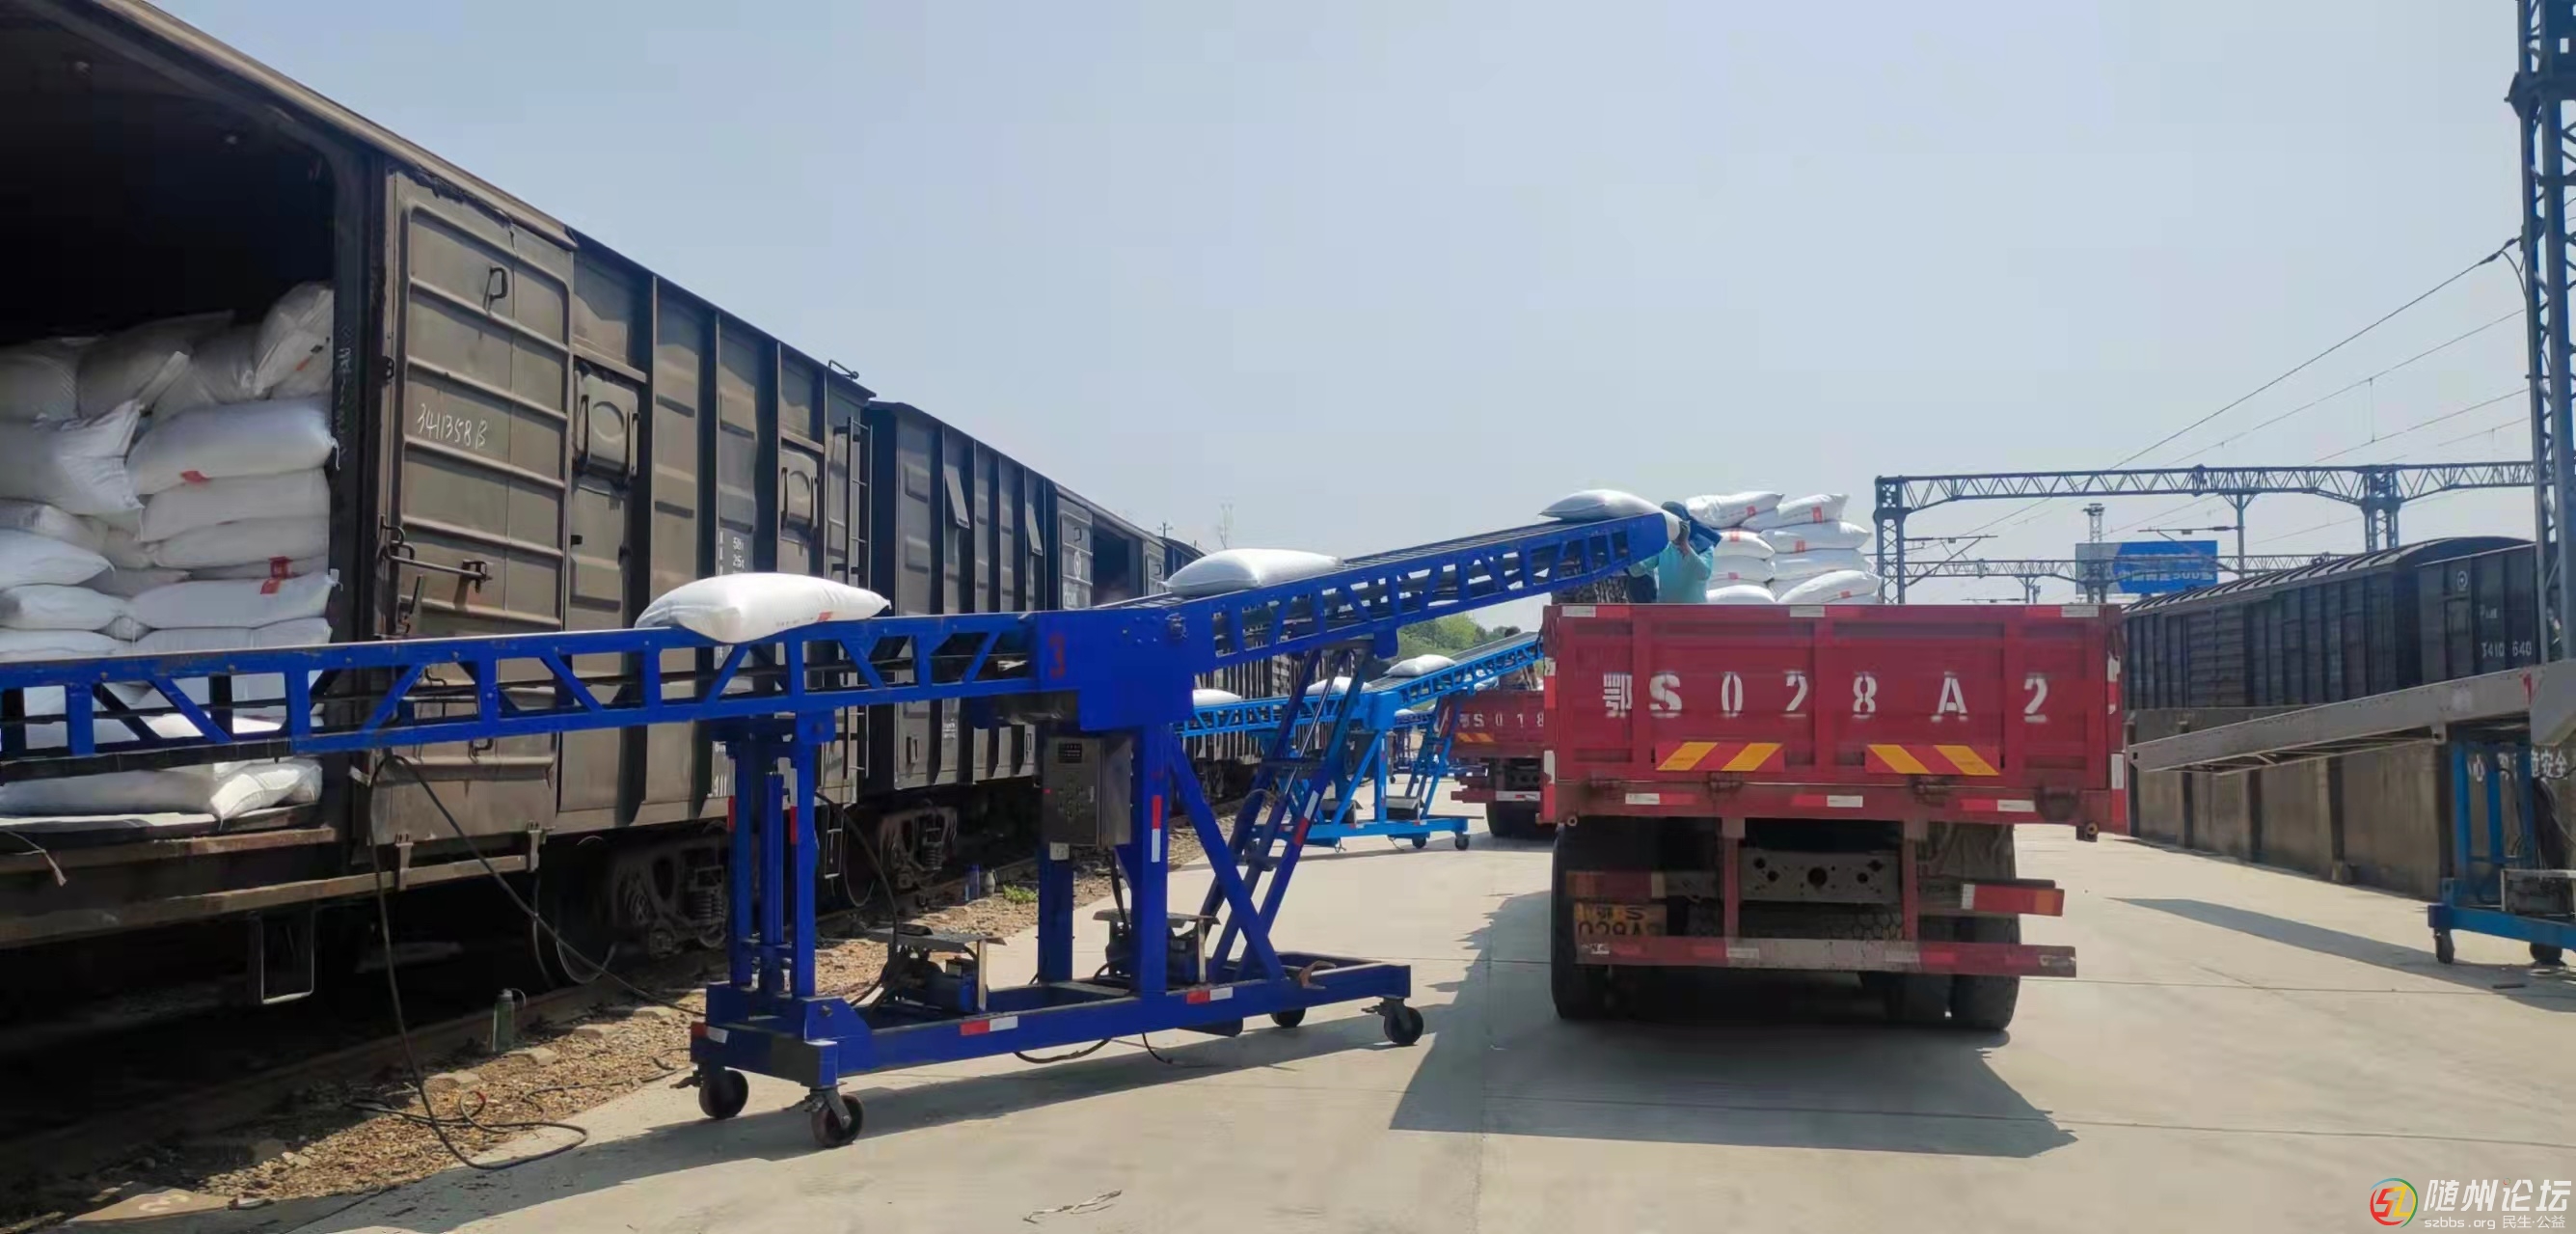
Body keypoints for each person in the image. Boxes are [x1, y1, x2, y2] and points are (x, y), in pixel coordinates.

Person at [1627, 508, 1716, 603]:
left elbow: (1703, 574)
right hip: (1667, 609)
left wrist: (1685, 546)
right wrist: (1632, 549)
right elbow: (1636, 571)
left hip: (1693, 610)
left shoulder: (1704, 547)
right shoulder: (1663, 547)